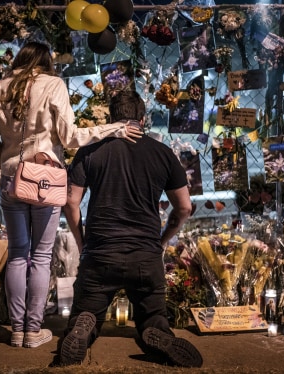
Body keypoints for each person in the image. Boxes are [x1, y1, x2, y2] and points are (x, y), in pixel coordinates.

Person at [0, 42, 142, 349]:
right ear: (45, 61)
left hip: (11, 178)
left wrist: (9, 162)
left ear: (19, 59)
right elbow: (69, 138)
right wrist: (115, 128)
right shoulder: (54, 85)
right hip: (46, 179)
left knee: (17, 254)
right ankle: (32, 331)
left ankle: (15, 330)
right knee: (40, 257)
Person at [60, 90, 203, 368]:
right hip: (146, 257)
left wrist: (82, 243)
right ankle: (156, 333)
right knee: (154, 316)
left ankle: (83, 327)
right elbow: (184, 208)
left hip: (100, 254)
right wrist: (162, 242)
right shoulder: (163, 153)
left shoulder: (89, 151)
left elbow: (70, 202)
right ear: (143, 118)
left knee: (86, 311)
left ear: (112, 119)